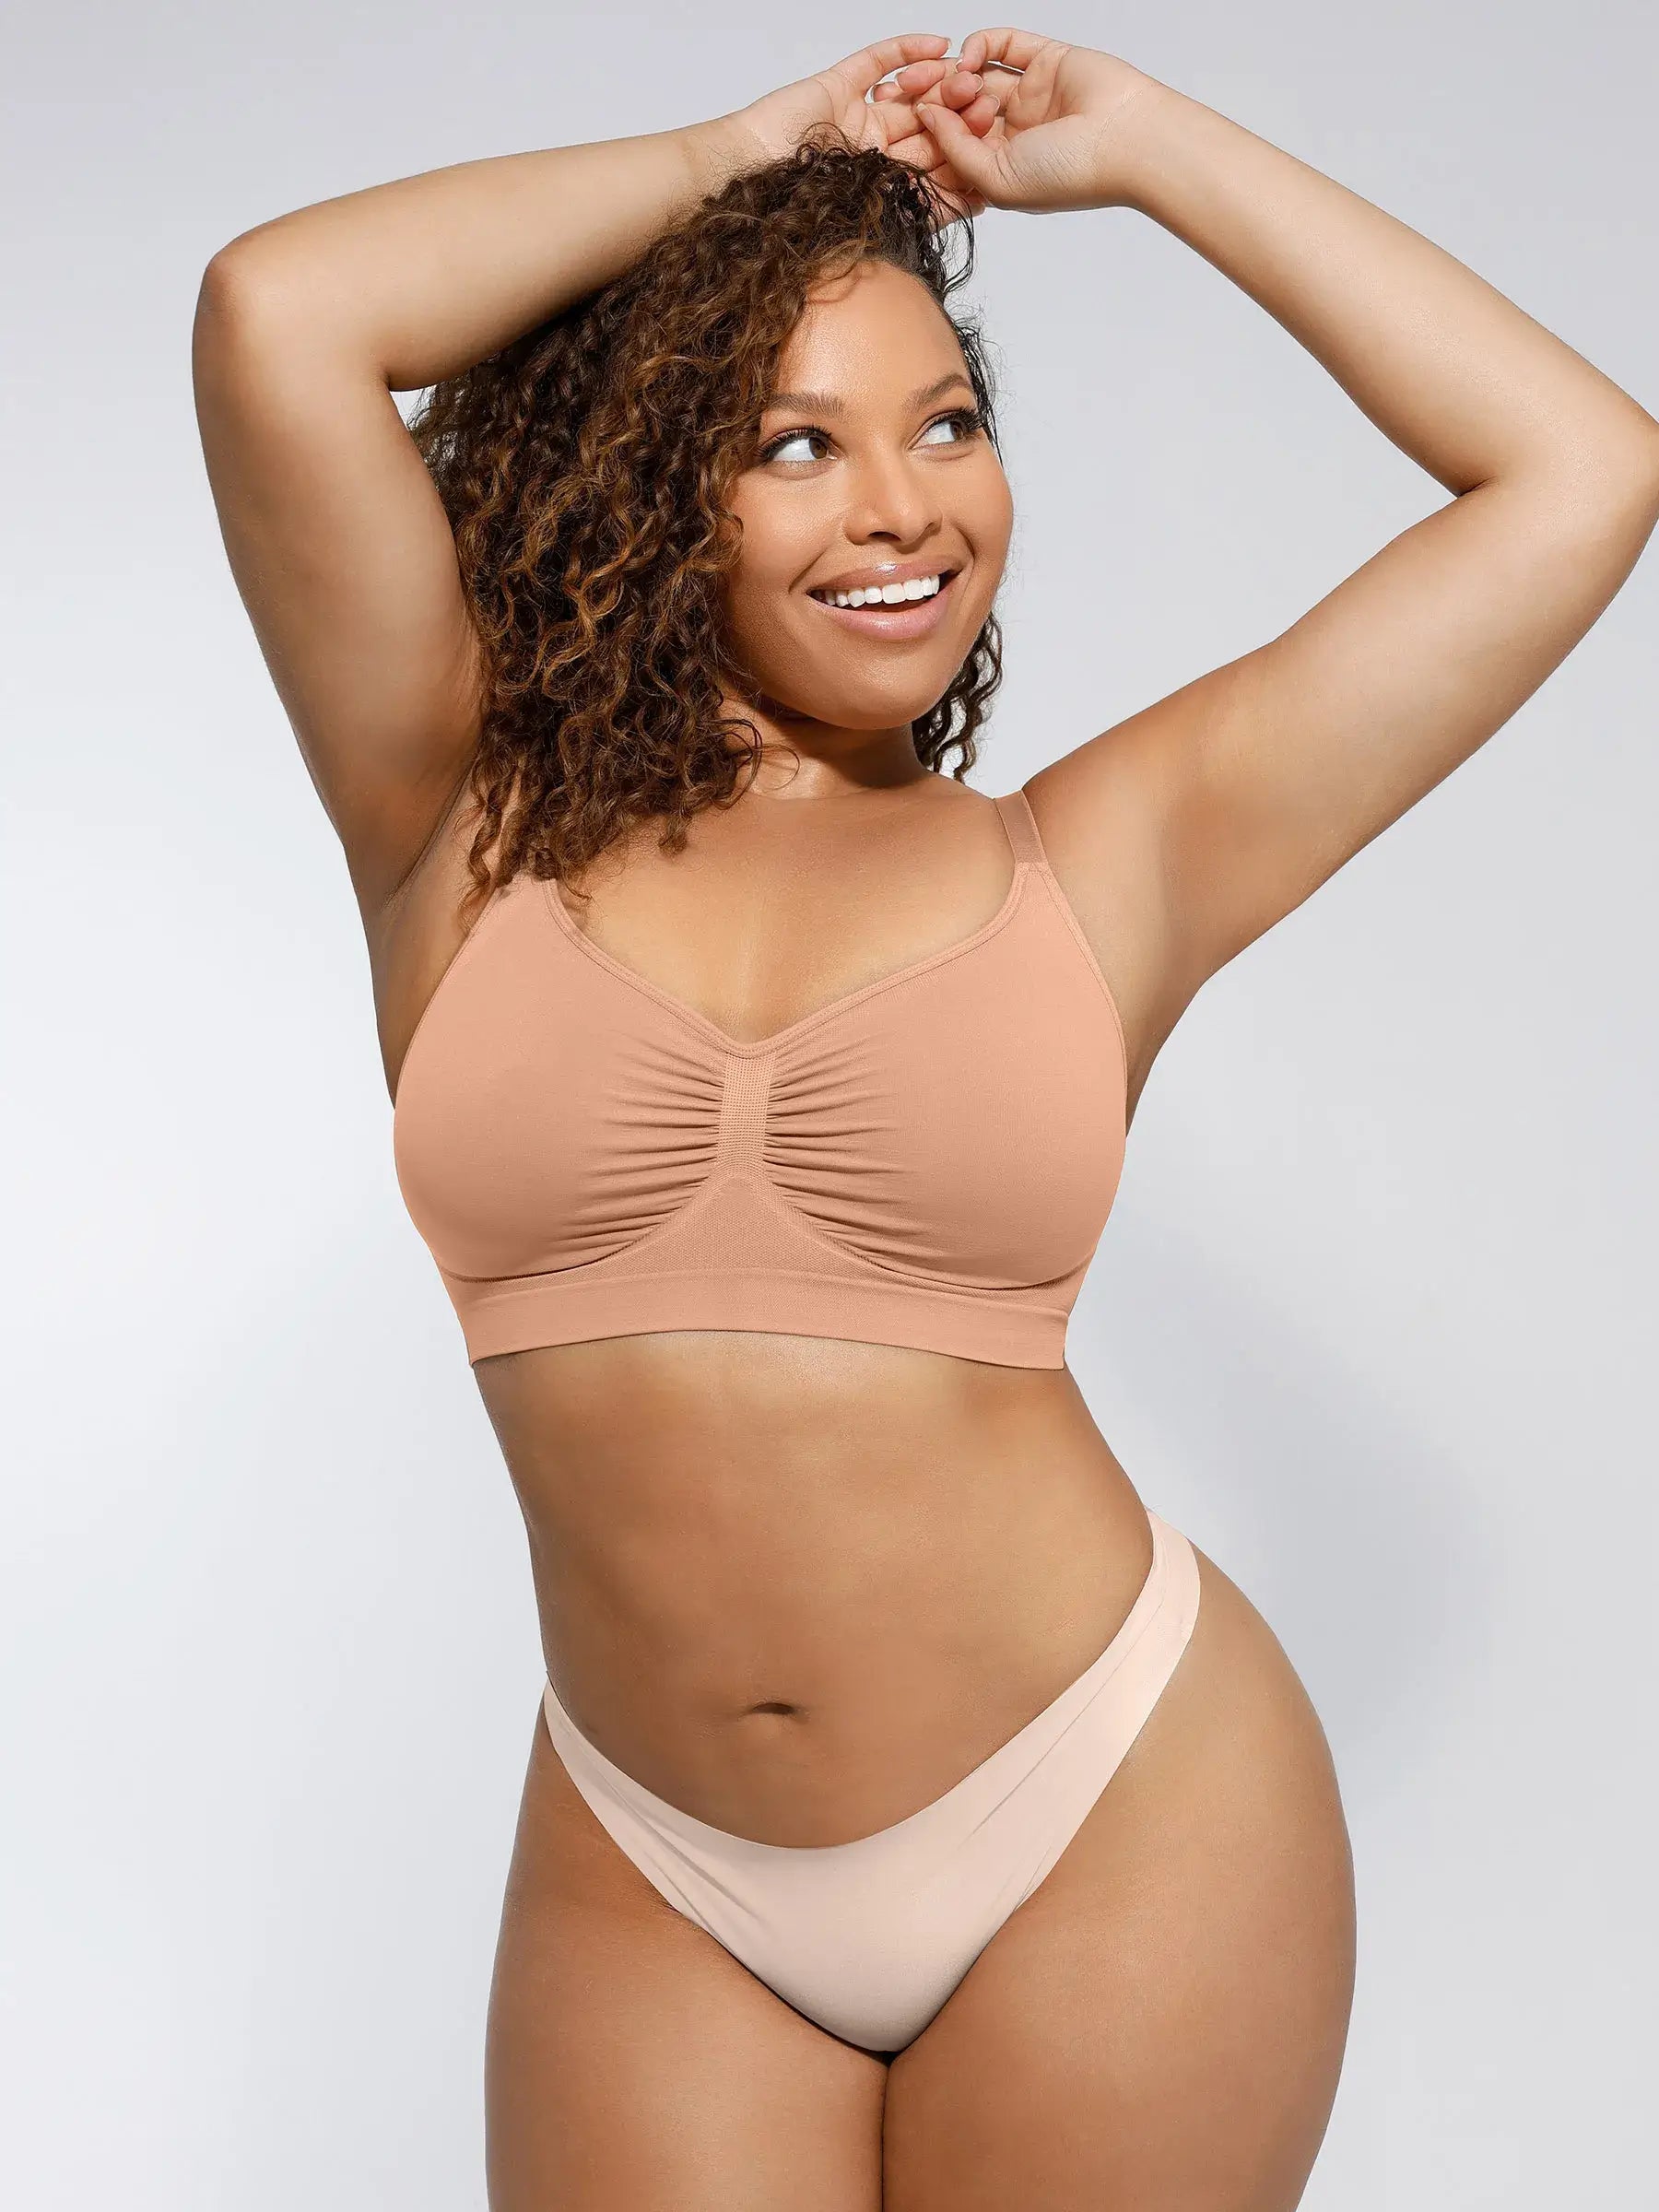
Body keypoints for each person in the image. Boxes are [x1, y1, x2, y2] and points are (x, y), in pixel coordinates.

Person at [191, 27, 1659, 2209]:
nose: (907, 507)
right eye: (797, 443)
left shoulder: (1108, 859)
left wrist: (1152, 150)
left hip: (1111, 1808)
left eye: (949, 423)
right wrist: (740, 152)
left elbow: (1580, 469)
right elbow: (278, 311)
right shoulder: (453, 828)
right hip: (656, 1863)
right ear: (643, 478)